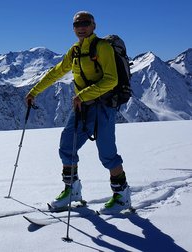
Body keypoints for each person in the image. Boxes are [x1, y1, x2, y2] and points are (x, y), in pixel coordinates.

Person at [25, 11, 131, 214]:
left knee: (107, 153)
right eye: (76, 24)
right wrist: (34, 91)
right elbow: (57, 71)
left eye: (85, 23)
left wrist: (83, 95)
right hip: (82, 105)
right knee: (67, 145)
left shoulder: (103, 47)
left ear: (93, 25)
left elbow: (112, 79)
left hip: (103, 104)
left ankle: (122, 195)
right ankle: (72, 191)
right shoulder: (74, 50)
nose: (80, 27)